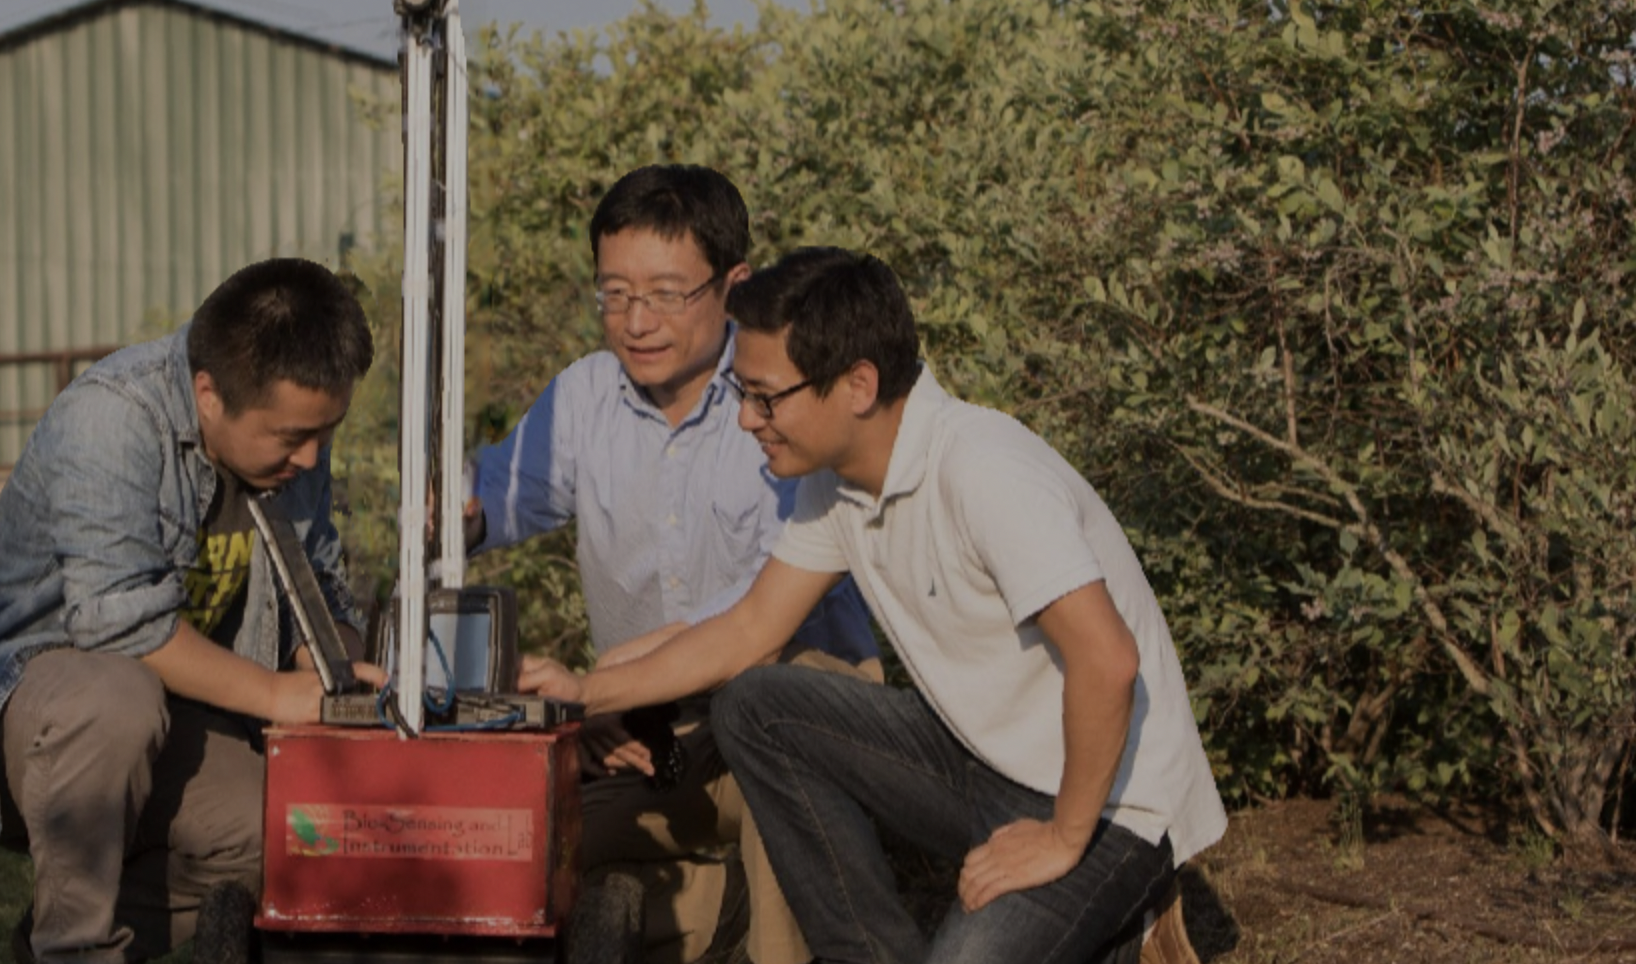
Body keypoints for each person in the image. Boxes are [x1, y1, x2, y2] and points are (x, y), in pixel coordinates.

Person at [521, 247, 1227, 964]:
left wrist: (1063, 838)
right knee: (757, 704)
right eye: (741, 391)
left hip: (1107, 804)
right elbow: (747, 630)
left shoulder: (984, 470)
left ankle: (1128, 910)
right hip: (984, 764)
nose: (744, 420)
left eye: (765, 397)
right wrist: (583, 692)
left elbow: (1108, 661)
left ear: (857, 385)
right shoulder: (838, 485)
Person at [0, 257, 383, 964]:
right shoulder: (110, 416)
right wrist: (276, 693)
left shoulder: (292, 440)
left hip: (164, 702)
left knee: (283, 831)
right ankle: (78, 950)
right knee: (116, 693)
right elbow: (116, 622)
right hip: (3, 699)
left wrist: (330, 663)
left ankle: (48, 944)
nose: (310, 457)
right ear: (209, 394)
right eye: (291, 438)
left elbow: (321, 579)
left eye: (324, 434)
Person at [468, 166, 880, 964]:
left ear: (734, 285)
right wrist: (457, 507)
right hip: (656, 729)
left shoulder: (781, 397)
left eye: (664, 293)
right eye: (614, 293)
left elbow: (758, 619)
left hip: (795, 699)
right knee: (535, 853)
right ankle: (722, 910)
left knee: (775, 712)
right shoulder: (585, 397)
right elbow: (495, 491)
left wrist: (608, 686)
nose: (636, 321)